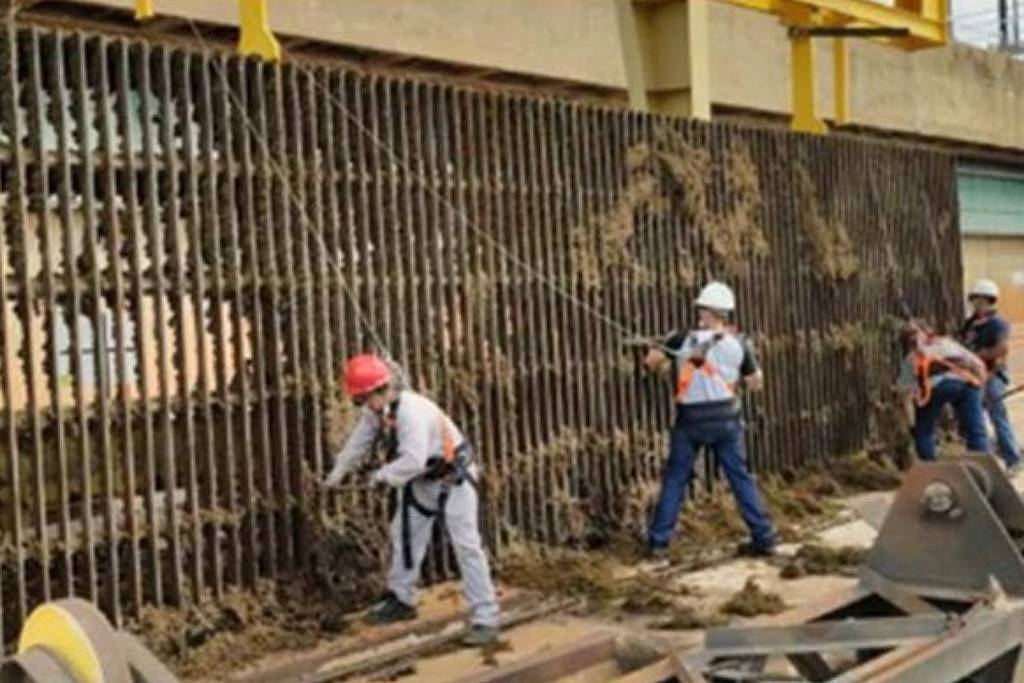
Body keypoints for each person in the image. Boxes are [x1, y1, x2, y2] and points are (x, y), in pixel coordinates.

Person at [321, 354, 500, 646]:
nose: (363, 406)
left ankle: (486, 616)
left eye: (363, 399)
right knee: (403, 536)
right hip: (424, 481)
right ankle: (401, 598)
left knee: (466, 545)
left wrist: (381, 476)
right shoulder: (378, 410)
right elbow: (359, 442)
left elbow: (413, 459)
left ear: (379, 390)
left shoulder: (411, 413)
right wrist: (337, 472)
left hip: (453, 478)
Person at [643, 281, 777, 559]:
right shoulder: (739, 343)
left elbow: (652, 362)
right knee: (740, 477)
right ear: (726, 312)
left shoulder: (681, 339)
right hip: (726, 418)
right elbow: (755, 382)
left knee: (675, 479)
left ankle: (658, 542)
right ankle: (763, 536)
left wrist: (664, 354)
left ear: (706, 311)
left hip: (690, 419)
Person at [897, 321, 988, 461]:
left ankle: (930, 464)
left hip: (934, 388)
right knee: (976, 429)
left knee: (924, 431)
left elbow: (904, 393)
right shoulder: (947, 343)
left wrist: (912, 423)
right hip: (966, 384)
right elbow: (979, 365)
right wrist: (980, 393)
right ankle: (982, 461)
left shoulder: (911, 358)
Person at [960, 279, 1021, 471]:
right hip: (973, 376)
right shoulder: (971, 324)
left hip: (991, 376)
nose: (978, 304)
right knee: (975, 418)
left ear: (990, 301)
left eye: (982, 300)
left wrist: (980, 357)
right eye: (975, 300)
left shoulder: (998, 323)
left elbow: (1001, 349)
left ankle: (1013, 459)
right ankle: (997, 451)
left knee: (997, 416)